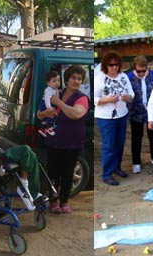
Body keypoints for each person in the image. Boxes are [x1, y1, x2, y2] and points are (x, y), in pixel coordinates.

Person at [37, 65, 89, 213]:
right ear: (66, 79)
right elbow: (39, 114)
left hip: (72, 143)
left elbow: (76, 114)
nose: (76, 81)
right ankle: (53, 202)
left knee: (68, 174)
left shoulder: (82, 98)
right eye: (73, 78)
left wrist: (59, 103)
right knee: (53, 173)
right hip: (54, 141)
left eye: (79, 78)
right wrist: (45, 112)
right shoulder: (54, 92)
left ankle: (64, 201)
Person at [94, 51, 134, 186]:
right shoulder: (99, 77)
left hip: (121, 114)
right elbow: (93, 98)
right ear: (106, 65)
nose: (114, 67)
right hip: (105, 117)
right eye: (111, 65)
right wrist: (107, 100)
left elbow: (131, 94)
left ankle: (117, 167)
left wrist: (127, 98)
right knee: (109, 145)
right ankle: (107, 174)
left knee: (119, 144)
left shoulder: (123, 77)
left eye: (117, 64)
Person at [127, 55, 153, 173]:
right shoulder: (129, 78)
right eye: (138, 71)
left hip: (151, 112)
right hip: (136, 112)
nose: (141, 73)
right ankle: (136, 162)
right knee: (136, 138)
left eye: (143, 71)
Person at [38, 70, 61, 138]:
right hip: (45, 104)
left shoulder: (54, 89)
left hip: (48, 104)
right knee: (51, 115)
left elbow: (57, 95)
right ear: (48, 83)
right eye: (54, 81)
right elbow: (47, 99)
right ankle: (48, 128)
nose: (57, 83)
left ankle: (42, 129)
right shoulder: (48, 90)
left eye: (58, 80)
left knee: (45, 119)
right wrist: (49, 107)